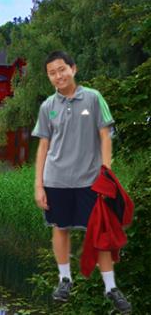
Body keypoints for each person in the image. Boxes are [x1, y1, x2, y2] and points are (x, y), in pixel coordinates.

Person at [32, 51, 131, 313]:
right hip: (56, 180)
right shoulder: (47, 107)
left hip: (91, 180)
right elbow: (43, 146)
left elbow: (105, 136)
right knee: (59, 228)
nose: (58, 76)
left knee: (99, 232)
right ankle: (65, 279)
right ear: (49, 77)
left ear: (73, 69)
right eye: (52, 73)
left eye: (62, 69)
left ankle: (111, 287)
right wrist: (38, 185)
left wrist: (106, 172)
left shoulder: (94, 98)